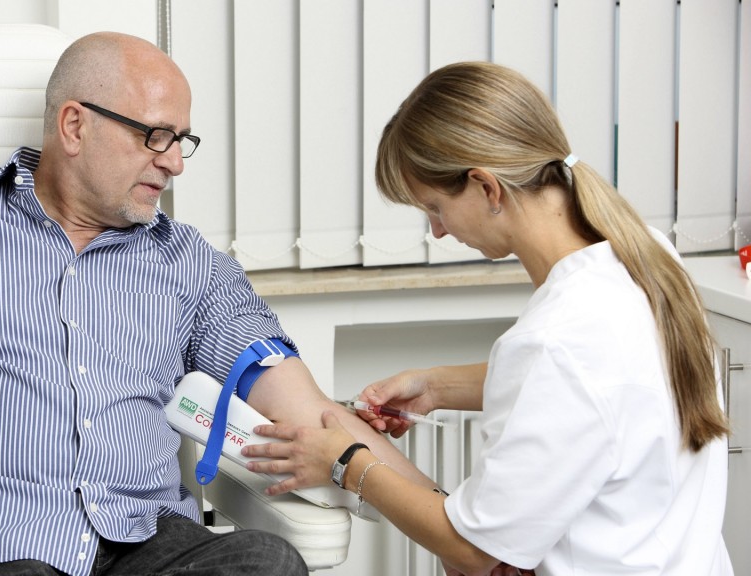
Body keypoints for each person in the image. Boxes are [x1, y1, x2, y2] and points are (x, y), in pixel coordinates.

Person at [0, 32, 415, 576]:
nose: (175, 162)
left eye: (183, 141)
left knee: (266, 562)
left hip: (145, 548)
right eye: (156, 136)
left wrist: (449, 519)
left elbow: (308, 411)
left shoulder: (191, 265)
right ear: (75, 125)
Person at [243, 61, 734, 576]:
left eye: (435, 208)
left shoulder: (557, 340)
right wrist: (434, 386)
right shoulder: (645, 257)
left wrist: (347, 462)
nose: (436, 231)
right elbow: (598, 388)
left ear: (486, 187)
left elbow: (474, 553)